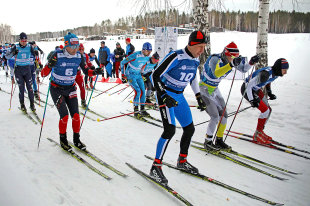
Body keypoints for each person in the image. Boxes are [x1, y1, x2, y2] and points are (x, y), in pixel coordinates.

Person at [149, 31, 207, 185]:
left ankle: (182, 161)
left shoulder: (195, 60)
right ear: (191, 44)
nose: (202, 51)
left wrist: (198, 96)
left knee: (189, 129)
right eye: (200, 47)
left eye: (204, 47)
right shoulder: (176, 56)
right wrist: (163, 95)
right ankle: (155, 166)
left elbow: (193, 78)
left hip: (179, 96)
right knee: (169, 130)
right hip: (165, 94)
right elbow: (155, 75)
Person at [41, 32, 103, 151]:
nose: (75, 49)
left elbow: (86, 71)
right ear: (65, 45)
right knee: (64, 116)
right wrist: (49, 65)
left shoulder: (79, 56)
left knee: (75, 115)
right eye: (72, 46)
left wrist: (95, 72)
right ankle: (63, 140)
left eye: (77, 46)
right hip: (56, 88)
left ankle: (76, 139)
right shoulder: (57, 55)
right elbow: (43, 74)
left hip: (70, 88)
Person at [200, 42, 260, 151]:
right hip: (204, 89)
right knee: (214, 116)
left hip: (214, 89)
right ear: (225, 54)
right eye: (231, 57)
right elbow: (215, 74)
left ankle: (219, 140)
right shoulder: (215, 59)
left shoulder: (230, 61)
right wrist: (231, 65)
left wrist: (251, 62)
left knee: (224, 115)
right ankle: (207, 141)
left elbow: (244, 69)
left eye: (235, 58)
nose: (232, 59)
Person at [241, 58, 289, 144]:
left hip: (255, 89)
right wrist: (252, 100)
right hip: (247, 89)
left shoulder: (276, 73)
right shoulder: (265, 74)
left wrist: (269, 92)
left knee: (269, 110)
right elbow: (249, 86)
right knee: (265, 110)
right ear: (279, 68)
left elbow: (268, 81)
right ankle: (257, 135)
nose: (285, 72)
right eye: (284, 70)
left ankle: (260, 131)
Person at [5, 32, 37, 112]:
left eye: (25, 40)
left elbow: (35, 55)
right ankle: (22, 104)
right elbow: (7, 56)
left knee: (30, 88)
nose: (24, 42)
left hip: (27, 69)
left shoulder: (29, 46)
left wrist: (36, 55)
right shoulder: (15, 46)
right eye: (22, 40)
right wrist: (13, 53)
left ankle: (32, 105)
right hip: (18, 70)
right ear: (19, 40)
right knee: (21, 88)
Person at [120, 42, 153, 118]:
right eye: (148, 51)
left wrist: (142, 72)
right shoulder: (136, 55)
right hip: (130, 75)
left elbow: (144, 65)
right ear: (144, 50)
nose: (149, 53)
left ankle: (142, 110)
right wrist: (122, 75)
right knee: (138, 91)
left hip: (138, 75)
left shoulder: (148, 57)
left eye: (150, 51)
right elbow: (122, 62)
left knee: (143, 91)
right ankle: (135, 111)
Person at [77, 43, 95, 107]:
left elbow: (88, 63)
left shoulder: (85, 55)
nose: (81, 51)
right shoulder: (74, 55)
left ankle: (83, 102)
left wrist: (92, 67)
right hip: (72, 74)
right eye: (80, 49)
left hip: (79, 73)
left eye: (82, 49)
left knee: (82, 88)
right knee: (73, 89)